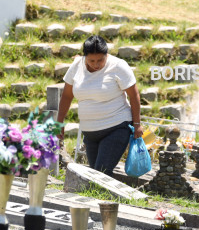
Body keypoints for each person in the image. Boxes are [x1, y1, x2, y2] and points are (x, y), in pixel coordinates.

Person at [56, 35, 143, 177]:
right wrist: (59, 121)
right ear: (85, 57)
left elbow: (134, 96)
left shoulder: (118, 66)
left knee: (101, 173)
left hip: (116, 127)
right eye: (92, 60)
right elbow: (67, 95)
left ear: (106, 55)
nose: (96, 64)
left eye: (100, 60)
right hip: (90, 133)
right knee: (95, 175)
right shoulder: (77, 66)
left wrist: (137, 123)